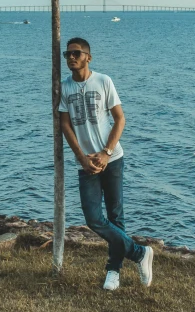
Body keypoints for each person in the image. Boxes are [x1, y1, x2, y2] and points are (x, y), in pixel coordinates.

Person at [59, 37, 153, 291]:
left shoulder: (103, 81)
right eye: (67, 54)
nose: (71, 57)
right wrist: (81, 157)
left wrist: (106, 152)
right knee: (93, 218)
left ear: (88, 57)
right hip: (85, 163)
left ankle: (113, 272)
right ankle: (140, 253)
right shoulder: (64, 87)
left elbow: (120, 119)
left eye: (76, 53)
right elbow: (65, 125)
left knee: (115, 215)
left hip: (112, 159)